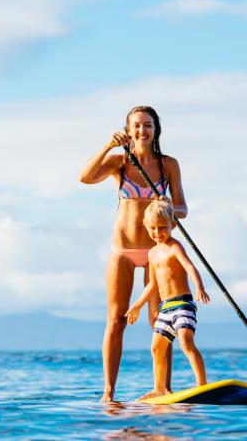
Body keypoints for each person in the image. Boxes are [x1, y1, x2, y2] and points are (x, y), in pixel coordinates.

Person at [79, 106, 188, 402]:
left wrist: (169, 207)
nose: (142, 131)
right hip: (123, 251)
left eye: (148, 125)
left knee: (160, 319)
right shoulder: (119, 163)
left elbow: (183, 209)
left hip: (158, 252)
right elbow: (85, 178)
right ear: (128, 130)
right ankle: (109, 393)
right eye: (136, 126)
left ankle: (163, 389)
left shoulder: (169, 165)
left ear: (156, 129)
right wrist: (107, 146)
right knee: (116, 319)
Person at [126, 200, 209, 400]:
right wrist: (137, 305)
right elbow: (152, 285)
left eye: (162, 227)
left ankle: (202, 385)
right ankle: (159, 388)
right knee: (156, 348)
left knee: (186, 342)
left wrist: (199, 287)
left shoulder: (175, 247)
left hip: (182, 304)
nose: (157, 232)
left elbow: (190, 267)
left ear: (173, 224)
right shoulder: (152, 253)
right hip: (165, 309)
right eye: (152, 228)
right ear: (146, 227)